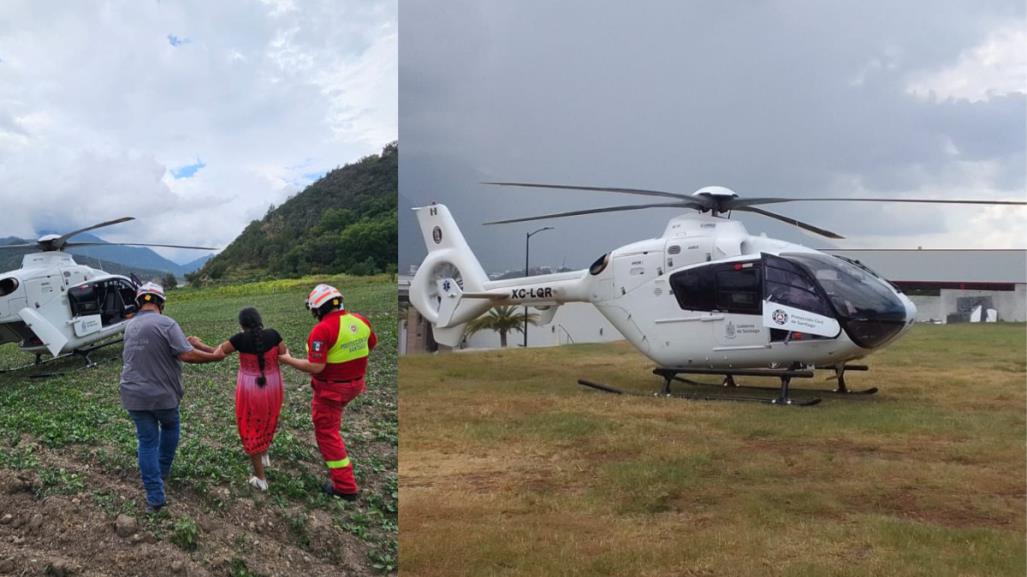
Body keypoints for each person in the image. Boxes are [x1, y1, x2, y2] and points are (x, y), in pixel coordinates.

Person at [119, 282, 225, 514]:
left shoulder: (129, 327)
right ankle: (163, 470)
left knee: (146, 442)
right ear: (161, 303)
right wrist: (215, 356)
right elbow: (187, 355)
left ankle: (155, 498)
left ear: (140, 303)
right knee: (170, 426)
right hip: (162, 396)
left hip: (132, 394)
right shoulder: (167, 323)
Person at [278, 284, 376, 500]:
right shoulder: (360, 321)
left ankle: (345, 486)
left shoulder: (322, 330)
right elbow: (370, 345)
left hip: (332, 391)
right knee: (333, 425)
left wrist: (287, 360)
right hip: (355, 384)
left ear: (318, 309)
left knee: (327, 434)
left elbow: (315, 367)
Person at [188, 308, 285, 492]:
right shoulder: (274, 334)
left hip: (251, 389)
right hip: (273, 386)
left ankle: (260, 478)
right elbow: (284, 353)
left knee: (250, 427)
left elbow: (217, 354)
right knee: (268, 419)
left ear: (242, 324)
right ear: (260, 320)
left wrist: (198, 345)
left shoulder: (239, 340)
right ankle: (264, 454)